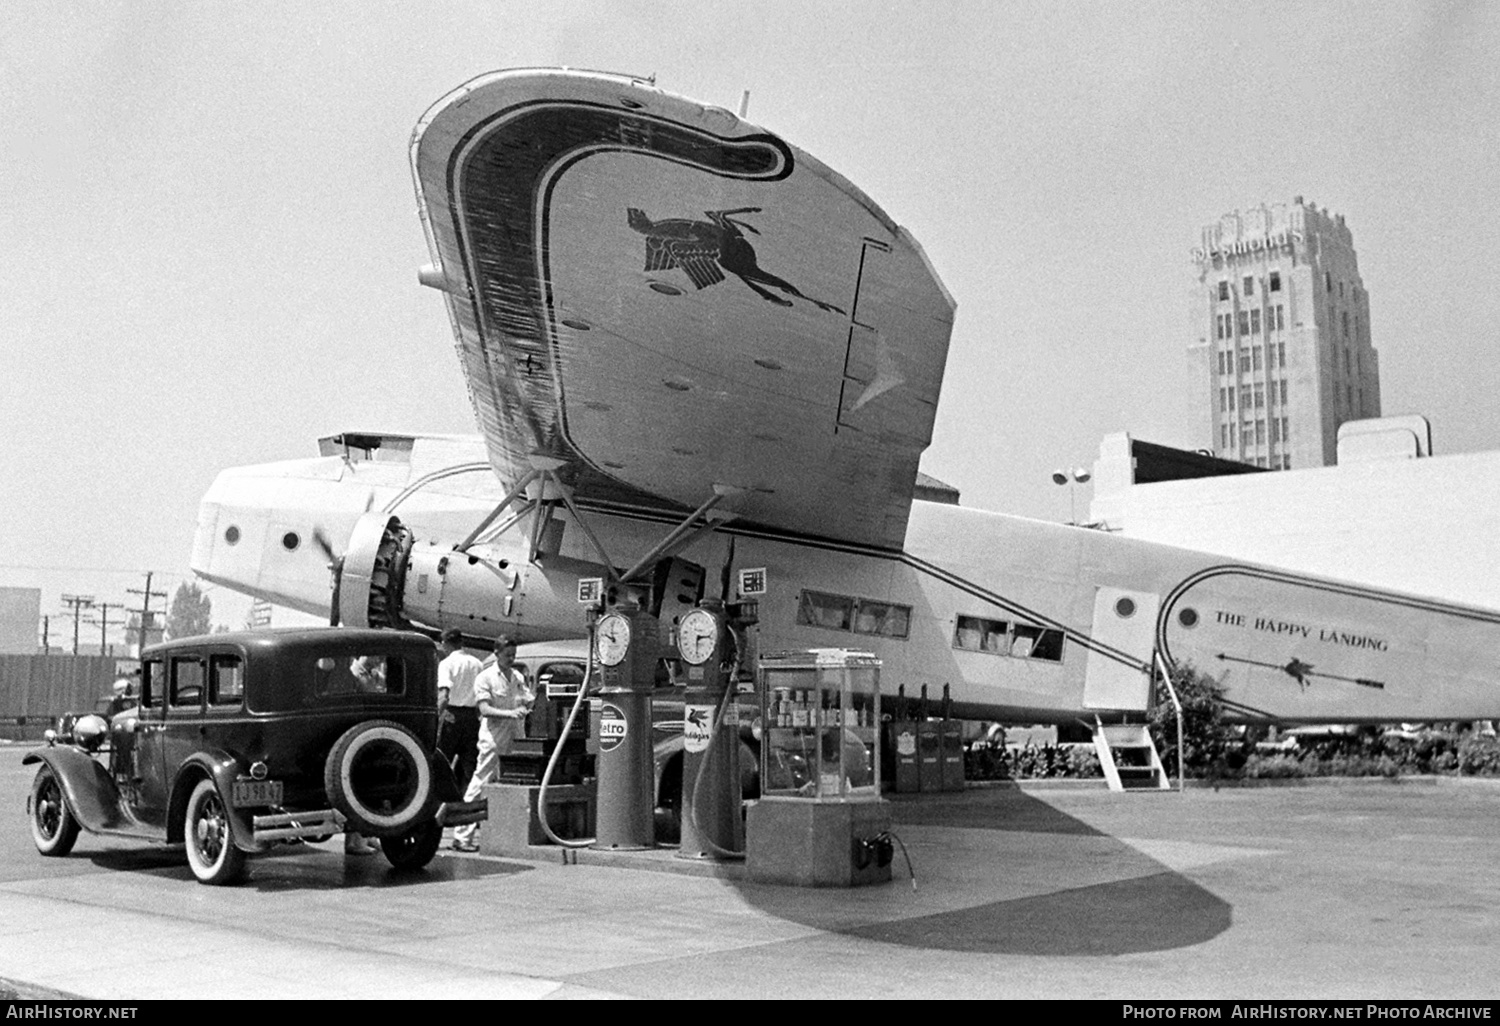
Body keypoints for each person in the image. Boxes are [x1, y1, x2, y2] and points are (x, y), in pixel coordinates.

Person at [450, 635, 533, 853]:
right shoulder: (485, 677)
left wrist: (527, 704)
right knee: (480, 783)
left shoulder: (516, 676)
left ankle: (509, 836)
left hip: (516, 738)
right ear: (496, 653)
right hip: (494, 739)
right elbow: (485, 709)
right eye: (507, 655)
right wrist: (510, 713)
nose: (511, 659)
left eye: (514, 656)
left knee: (512, 784)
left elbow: (526, 697)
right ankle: (461, 835)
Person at [435, 629, 483, 793]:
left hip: (451, 716)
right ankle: (472, 800)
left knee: (442, 760)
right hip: (471, 717)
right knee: (471, 764)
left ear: (445, 644)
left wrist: (436, 716)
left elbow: (444, 695)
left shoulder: (446, 664)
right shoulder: (477, 663)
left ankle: (442, 799)